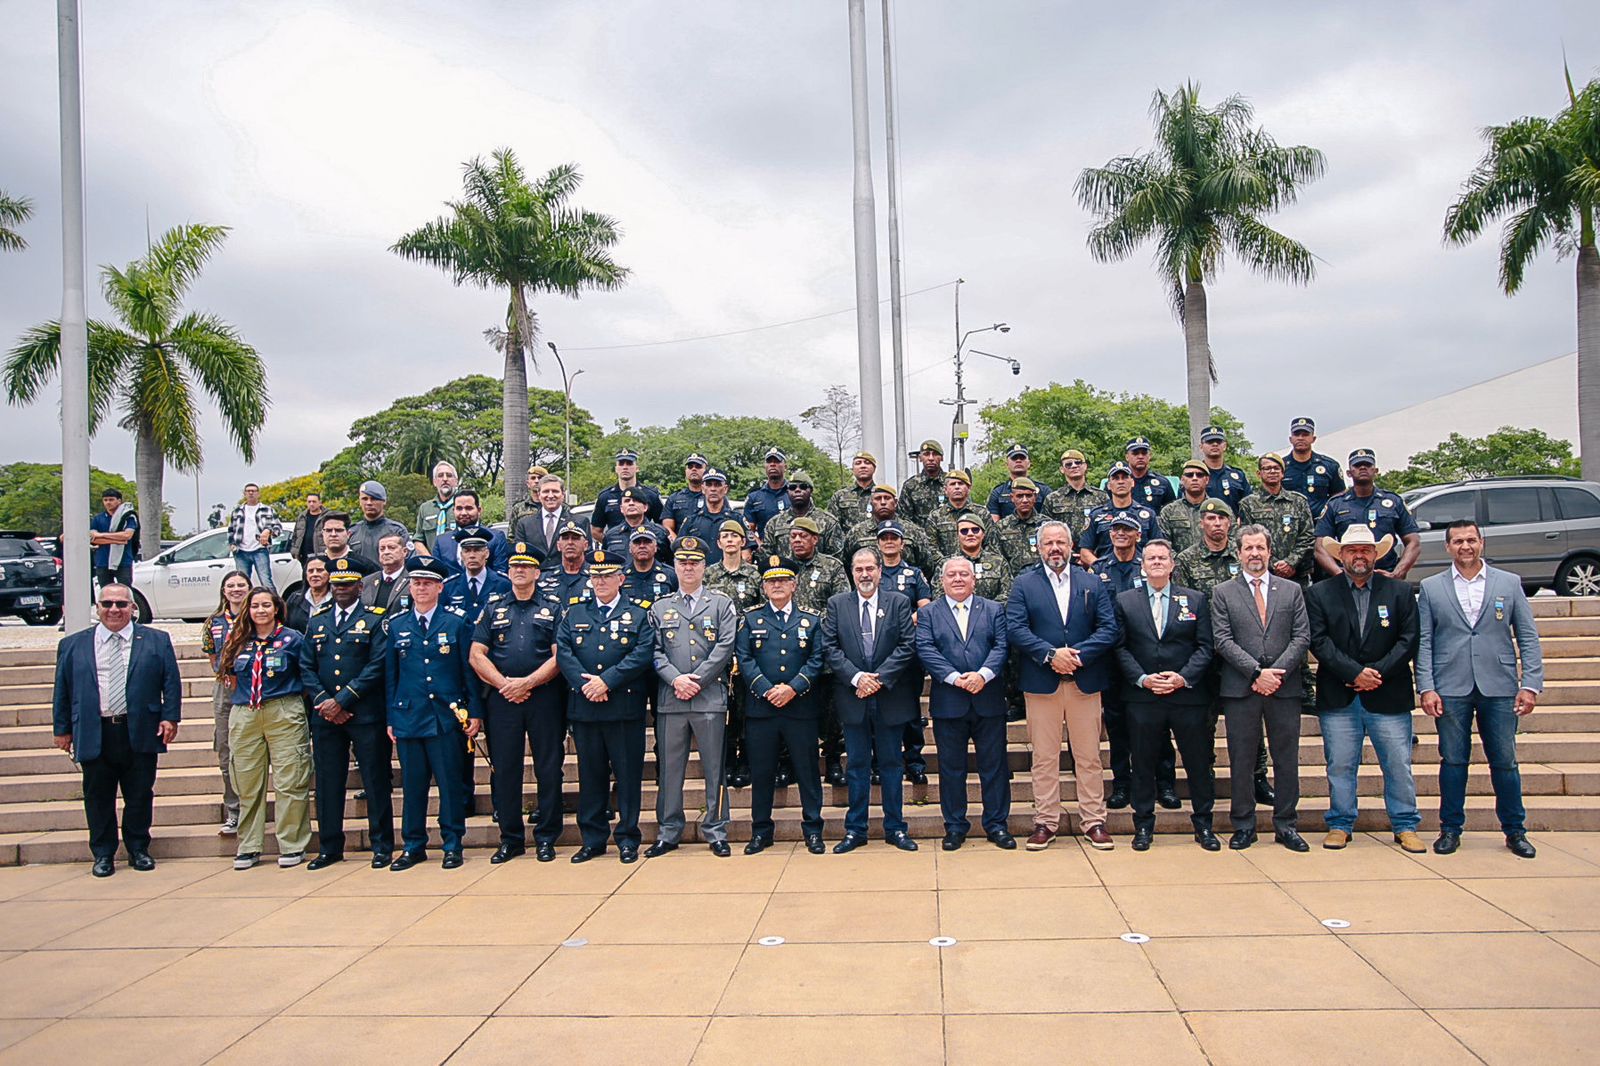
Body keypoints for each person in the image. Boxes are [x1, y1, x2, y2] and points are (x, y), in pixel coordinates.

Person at [1417, 519, 1544, 859]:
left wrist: (1530, 684)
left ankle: (1515, 831)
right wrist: (1426, 686)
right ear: (1447, 547)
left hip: (1499, 685)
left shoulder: (1509, 582)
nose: (1465, 547)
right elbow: (1425, 640)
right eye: (1458, 541)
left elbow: (1528, 637)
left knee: (1504, 762)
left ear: (1481, 542)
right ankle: (1450, 829)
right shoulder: (1431, 588)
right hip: (1451, 686)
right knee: (1454, 761)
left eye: (1471, 540)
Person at [1306, 525, 1423, 852]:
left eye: (1365, 550)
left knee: (1397, 763)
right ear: (1340, 555)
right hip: (1340, 695)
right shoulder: (1320, 593)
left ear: (1376, 554)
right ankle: (1341, 823)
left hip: (1389, 693)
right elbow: (1318, 641)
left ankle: (1405, 824)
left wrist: (1377, 673)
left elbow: (1409, 639)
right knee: (1340, 763)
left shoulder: (1399, 591)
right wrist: (1355, 672)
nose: (1359, 555)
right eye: (1352, 550)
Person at [51, 584, 182, 877]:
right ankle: (103, 853)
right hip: (95, 730)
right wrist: (62, 729)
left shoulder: (156, 640)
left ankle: (138, 848)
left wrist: (170, 717)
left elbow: (170, 682)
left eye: (121, 604)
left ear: (132, 608)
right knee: (98, 796)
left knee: (139, 793)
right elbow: (62, 689)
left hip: (139, 728)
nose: (114, 609)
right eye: (107, 603)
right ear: (97, 607)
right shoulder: (74, 644)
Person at [1005, 521, 1120, 850]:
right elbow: (1016, 628)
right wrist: (1050, 655)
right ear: (1038, 548)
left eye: (1061, 542)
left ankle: (1094, 821)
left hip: (1085, 682)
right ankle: (1045, 821)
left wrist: (1078, 656)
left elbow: (1109, 628)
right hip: (1043, 683)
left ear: (1071, 547)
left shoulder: (1091, 582)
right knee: (1044, 757)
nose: (1055, 548)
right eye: (1048, 543)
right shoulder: (1024, 584)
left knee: (1088, 756)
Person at [1210, 525, 1312, 851]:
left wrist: (1275, 673)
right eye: (1248, 548)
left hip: (1283, 687)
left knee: (1286, 759)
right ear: (1238, 553)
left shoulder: (1291, 590)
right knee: (1241, 759)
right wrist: (1257, 673)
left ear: (1270, 551)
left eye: (1260, 548)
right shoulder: (1223, 592)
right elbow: (1222, 640)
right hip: (1242, 688)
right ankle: (1243, 825)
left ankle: (1286, 825)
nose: (1255, 554)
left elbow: (1301, 637)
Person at [1112, 540, 1218, 851]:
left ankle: (1203, 826)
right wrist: (1142, 679)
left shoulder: (1195, 600)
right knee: (1143, 764)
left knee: (1198, 764)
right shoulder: (1125, 601)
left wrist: (1182, 677)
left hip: (1187, 696)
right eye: (1150, 558)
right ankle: (1143, 826)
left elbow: (1205, 647)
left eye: (1162, 558)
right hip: (1143, 698)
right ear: (1142, 566)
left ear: (1172, 565)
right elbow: (1119, 647)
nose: (1156, 562)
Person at [556, 549, 656, 863]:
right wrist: (586, 685)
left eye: (607, 575)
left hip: (623, 706)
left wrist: (607, 681)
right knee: (591, 775)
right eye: (595, 576)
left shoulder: (639, 612)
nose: (600, 581)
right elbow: (564, 651)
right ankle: (593, 838)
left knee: (627, 776)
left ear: (621, 579)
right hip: (586, 707)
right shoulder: (575, 612)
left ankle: (628, 838)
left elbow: (642, 653)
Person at [384, 555, 483, 870]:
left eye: (427, 583)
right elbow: (391, 676)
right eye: (416, 583)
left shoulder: (455, 622)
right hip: (410, 716)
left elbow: (468, 672)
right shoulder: (397, 624)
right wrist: (391, 717)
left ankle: (453, 843)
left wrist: (474, 712)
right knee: (413, 787)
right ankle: (413, 845)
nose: (421, 588)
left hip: (446, 716)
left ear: (440, 587)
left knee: (450, 785)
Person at [470, 542, 567, 863]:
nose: (520, 571)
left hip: (544, 698)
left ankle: (547, 837)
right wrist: (505, 685)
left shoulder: (553, 607)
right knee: (505, 770)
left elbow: (559, 656)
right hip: (502, 700)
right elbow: (476, 654)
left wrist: (528, 683)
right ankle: (510, 838)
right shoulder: (494, 606)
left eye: (526, 567)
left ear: (537, 573)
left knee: (549, 768)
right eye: (514, 567)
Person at [298, 557, 395, 869]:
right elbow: (306, 667)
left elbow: (377, 665)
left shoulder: (376, 619)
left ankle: (382, 845)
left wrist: (343, 699)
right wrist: (326, 701)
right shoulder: (317, 621)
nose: (340, 590)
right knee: (328, 782)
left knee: (375, 780)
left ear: (359, 587)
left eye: (347, 584)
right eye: (336, 584)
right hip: (326, 717)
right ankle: (329, 847)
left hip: (364, 713)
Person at [822, 547, 920, 853]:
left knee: (892, 763)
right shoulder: (837, 604)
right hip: (853, 696)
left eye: (870, 569)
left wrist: (877, 679)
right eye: (859, 569)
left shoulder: (899, 602)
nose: (865, 575)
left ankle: (895, 828)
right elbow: (830, 647)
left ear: (880, 571)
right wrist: (857, 678)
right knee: (857, 765)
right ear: (852, 573)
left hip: (889, 695)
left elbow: (907, 644)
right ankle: (856, 830)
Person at [646, 537, 738, 858]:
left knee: (715, 767)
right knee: (671, 769)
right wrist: (676, 679)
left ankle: (715, 828)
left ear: (704, 567)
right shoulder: (660, 607)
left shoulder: (721, 604)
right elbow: (654, 652)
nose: (688, 567)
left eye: (695, 562)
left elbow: (726, 646)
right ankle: (669, 830)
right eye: (683, 562)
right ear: (674, 566)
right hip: (672, 699)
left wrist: (697, 679)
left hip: (709, 696)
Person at [916, 556, 1014, 851]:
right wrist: (955, 678)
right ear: (942, 581)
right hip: (949, 701)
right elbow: (925, 648)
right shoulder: (930, 613)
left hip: (989, 699)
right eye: (951, 575)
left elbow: (1001, 645)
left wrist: (983, 675)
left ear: (974, 579)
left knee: (994, 767)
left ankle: (997, 825)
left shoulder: (994, 609)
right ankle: (955, 826)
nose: (958, 579)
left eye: (964, 574)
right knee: (951, 768)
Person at [216, 587, 313, 870]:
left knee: (290, 780)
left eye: (266, 605)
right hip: (246, 712)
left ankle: (292, 844)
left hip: (283, 709)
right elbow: (230, 676)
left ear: (276, 609)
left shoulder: (291, 639)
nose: (260, 611)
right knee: (247, 783)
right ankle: (249, 846)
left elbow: (306, 675)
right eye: (255, 605)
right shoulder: (237, 640)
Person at [736, 554, 828, 855]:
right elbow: (744, 659)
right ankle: (761, 831)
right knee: (762, 773)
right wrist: (765, 689)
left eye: (783, 580)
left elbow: (817, 660)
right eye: (771, 581)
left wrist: (793, 688)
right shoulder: (751, 619)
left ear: (794, 584)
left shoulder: (811, 620)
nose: (777, 585)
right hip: (762, 710)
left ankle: (813, 829)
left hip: (800, 708)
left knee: (807, 772)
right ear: (763, 587)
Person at [1092, 515, 1175, 811]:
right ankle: (1122, 784)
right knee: (1117, 725)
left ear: (1138, 535)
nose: (1120, 534)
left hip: (1148, 657)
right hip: (1112, 659)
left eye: (1127, 529)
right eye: (1115, 530)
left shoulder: (1150, 564)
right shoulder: (1100, 569)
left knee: (1159, 724)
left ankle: (1164, 783)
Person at [706, 519, 764, 789]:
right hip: (716, 653)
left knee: (745, 710)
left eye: (735, 536)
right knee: (721, 710)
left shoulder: (754, 576)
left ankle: (745, 762)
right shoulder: (709, 575)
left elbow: (760, 615)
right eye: (725, 536)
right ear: (719, 543)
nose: (730, 540)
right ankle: (726, 762)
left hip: (747, 654)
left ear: (743, 542)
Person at [1314, 449, 1422, 579]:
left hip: (1385, 574)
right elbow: (1320, 547)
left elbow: (1413, 542)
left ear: (1376, 470)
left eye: (1368, 465)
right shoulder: (1335, 504)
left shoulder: (1393, 501)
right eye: (1357, 465)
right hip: (1348, 576)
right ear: (1349, 472)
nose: (1363, 468)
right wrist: (1339, 574)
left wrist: (1398, 572)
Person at [1238, 453, 1316, 584]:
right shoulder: (1248, 504)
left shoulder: (1298, 501)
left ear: (1282, 473)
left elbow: (1308, 536)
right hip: (1263, 574)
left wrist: (1290, 562)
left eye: (1276, 468)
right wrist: (1274, 565)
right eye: (1267, 468)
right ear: (1259, 474)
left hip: (1297, 573)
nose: (1272, 471)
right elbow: (1246, 539)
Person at [1077, 463, 1163, 566]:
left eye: (1125, 477)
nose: (1121, 482)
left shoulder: (1148, 515)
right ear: (1109, 485)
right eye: (1116, 478)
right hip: (1106, 575)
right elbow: (1085, 551)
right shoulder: (1096, 515)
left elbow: (1158, 548)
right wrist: (1100, 568)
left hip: (1141, 572)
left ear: (1132, 482)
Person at [845, 485, 936, 578]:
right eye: (878, 499)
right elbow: (847, 566)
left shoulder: (913, 531)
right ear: (871, 503)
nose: (883, 502)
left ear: (896, 502)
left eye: (887, 498)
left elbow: (927, 567)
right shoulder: (857, 533)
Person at [761, 471, 846, 562]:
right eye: (792, 487)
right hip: (784, 574)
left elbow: (836, 559)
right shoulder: (774, 523)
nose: (797, 490)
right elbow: (766, 557)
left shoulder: (828, 522)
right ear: (787, 492)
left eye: (803, 487)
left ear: (811, 490)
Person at [441, 525, 513, 622]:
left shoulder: (504, 584)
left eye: (477, 550)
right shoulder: (449, 586)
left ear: (487, 553)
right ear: (461, 555)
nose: (472, 556)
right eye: (467, 551)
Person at [431, 491, 511, 575]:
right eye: (459, 508)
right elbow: (437, 576)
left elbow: (500, 573)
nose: (464, 513)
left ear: (479, 510)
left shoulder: (496, 538)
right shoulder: (441, 541)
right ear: (453, 510)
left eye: (469, 508)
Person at [1281, 417, 1345, 519]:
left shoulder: (1329, 466)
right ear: (1290, 439)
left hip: (1321, 525)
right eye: (1297, 434)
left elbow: (1339, 497)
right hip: (1288, 524)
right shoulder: (1280, 467)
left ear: (1313, 439)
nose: (1300, 438)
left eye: (1305, 434)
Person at [936, 518, 1012, 602]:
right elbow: (938, 595)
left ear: (983, 534)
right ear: (957, 536)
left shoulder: (999, 562)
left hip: (991, 613)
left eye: (975, 530)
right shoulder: (945, 563)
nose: (970, 534)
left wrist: (987, 610)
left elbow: (1007, 594)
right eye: (964, 531)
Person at [591, 449, 664, 537]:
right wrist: (612, 544)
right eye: (621, 464)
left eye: (629, 463)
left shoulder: (650, 495)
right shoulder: (605, 497)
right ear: (616, 469)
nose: (625, 467)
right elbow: (596, 531)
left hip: (643, 546)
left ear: (637, 468)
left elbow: (663, 527)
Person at [926, 470, 998, 558]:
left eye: (960, 483)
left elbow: (991, 543)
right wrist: (946, 564)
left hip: (978, 566)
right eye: (953, 484)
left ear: (968, 488)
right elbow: (931, 547)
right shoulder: (936, 516)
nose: (957, 487)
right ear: (945, 490)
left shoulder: (981, 513)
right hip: (947, 568)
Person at [1042, 450, 1108, 542]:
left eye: (1078, 462)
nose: (1074, 466)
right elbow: (1046, 530)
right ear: (1062, 469)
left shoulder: (1101, 496)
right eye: (1068, 464)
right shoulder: (1052, 499)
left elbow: (1107, 528)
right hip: (1063, 553)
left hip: (1095, 553)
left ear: (1085, 466)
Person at [1159, 461, 1220, 556]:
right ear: (1182, 480)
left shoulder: (1219, 509)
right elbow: (1163, 545)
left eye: (1199, 475)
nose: (1194, 478)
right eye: (1189, 475)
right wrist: (1182, 563)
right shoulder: (1169, 511)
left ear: (1207, 480)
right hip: (1179, 567)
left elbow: (1232, 540)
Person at [514, 474, 579, 557]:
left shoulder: (579, 522)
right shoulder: (524, 524)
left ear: (563, 494)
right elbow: (520, 555)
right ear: (539, 495)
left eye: (555, 491)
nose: (551, 496)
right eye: (546, 491)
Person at [673, 467, 740, 547]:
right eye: (709, 485)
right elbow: (679, 550)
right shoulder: (691, 521)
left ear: (725, 489)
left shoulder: (737, 519)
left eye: (717, 485)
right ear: (703, 489)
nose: (713, 489)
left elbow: (746, 554)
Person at [601, 487, 672, 561]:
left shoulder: (661, 533)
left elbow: (670, 562)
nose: (631, 503)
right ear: (621, 509)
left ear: (645, 507)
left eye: (636, 501)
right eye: (627, 501)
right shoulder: (611, 535)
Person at [994, 477, 1048, 575]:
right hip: (1013, 582)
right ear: (1012, 498)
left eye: (1028, 495)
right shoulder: (1001, 527)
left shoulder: (1047, 525)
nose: (1024, 500)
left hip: (1042, 580)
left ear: (1035, 497)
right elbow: (997, 559)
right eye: (1019, 496)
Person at [346, 480, 410, 562]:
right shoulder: (352, 532)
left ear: (384, 501)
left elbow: (408, 560)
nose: (369, 503)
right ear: (360, 502)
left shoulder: (397, 530)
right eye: (364, 499)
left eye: (374, 499)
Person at [89, 488, 139, 590]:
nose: (108, 503)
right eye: (105, 500)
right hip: (102, 561)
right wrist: (117, 540)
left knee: (125, 591)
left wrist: (102, 535)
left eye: (111, 500)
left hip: (123, 561)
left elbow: (127, 536)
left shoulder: (128, 516)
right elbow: (93, 538)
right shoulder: (98, 518)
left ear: (119, 501)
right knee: (105, 591)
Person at [987, 443, 1051, 520]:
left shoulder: (1044, 490)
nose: (1018, 461)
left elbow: (1051, 522)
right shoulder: (998, 493)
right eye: (1014, 458)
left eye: (1022, 458)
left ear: (1029, 463)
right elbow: (994, 524)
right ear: (1007, 464)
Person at [539, 520, 594, 609]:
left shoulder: (596, 576)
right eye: (565, 538)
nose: (570, 542)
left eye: (575, 538)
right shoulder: (543, 578)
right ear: (558, 546)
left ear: (586, 545)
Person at [622, 527, 678, 606]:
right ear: (630, 549)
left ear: (655, 547)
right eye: (637, 542)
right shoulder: (621, 576)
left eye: (647, 542)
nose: (642, 546)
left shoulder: (671, 575)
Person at [360, 533, 413, 615]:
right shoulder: (366, 582)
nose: (386, 552)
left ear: (405, 551)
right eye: (382, 549)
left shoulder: (413, 581)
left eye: (391, 548)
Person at [744, 447, 793, 535]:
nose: (772, 464)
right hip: (764, 546)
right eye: (769, 461)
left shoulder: (795, 492)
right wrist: (760, 546)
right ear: (765, 466)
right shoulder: (754, 497)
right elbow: (748, 531)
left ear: (785, 467)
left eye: (777, 461)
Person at [899, 439, 948, 524]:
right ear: (920, 458)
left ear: (942, 458)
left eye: (935, 454)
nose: (931, 458)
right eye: (926, 454)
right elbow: (904, 519)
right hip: (920, 535)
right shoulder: (910, 485)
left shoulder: (952, 482)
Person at [1198, 425, 1252, 503]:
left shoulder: (1238, 475)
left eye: (1219, 441)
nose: (1215, 444)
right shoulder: (1193, 475)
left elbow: (1249, 504)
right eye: (1210, 442)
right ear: (1201, 447)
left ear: (1225, 446)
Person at [661, 453, 709, 536]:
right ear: (686, 471)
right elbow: (667, 527)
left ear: (706, 470)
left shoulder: (714, 498)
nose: (694, 469)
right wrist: (677, 543)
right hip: (681, 546)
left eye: (698, 466)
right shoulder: (674, 498)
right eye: (690, 467)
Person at [415, 461, 460, 551]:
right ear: (435, 482)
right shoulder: (425, 508)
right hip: (432, 562)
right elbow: (418, 540)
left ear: (456, 481)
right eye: (440, 475)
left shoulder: (463, 507)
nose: (445, 479)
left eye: (449, 475)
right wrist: (431, 562)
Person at [829, 450, 880, 528]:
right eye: (858, 463)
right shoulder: (840, 496)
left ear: (874, 468)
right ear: (852, 469)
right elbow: (832, 526)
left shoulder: (882, 495)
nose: (863, 466)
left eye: (867, 462)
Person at [285, 554, 334, 632]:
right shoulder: (295, 598)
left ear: (330, 574)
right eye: (310, 571)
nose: (314, 574)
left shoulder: (338, 600)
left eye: (320, 570)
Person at [1125, 437, 1176, 510]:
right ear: (1127, 457)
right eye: (1135, 453)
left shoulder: (1163, 483)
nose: (1140, 457)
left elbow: (1172, 511)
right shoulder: (1118, 482)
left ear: (1149, 456)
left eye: (1144, 453)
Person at [318, 511, 376, 576]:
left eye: (338, 530)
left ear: (348, 534)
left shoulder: (365, 565)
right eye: (328, 530)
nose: (333, 534)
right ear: (322, 533)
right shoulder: (313, 565)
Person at [290, 492, 328, 565]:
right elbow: (295, 536)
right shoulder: (302, 517)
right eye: (309, 502)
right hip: (305, 557)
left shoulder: (327, 516)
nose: (311, 504)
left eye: (314, 501)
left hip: (322, 555)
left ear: (320, 503)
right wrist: (294, 551)